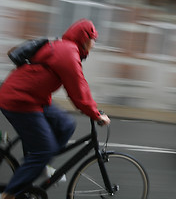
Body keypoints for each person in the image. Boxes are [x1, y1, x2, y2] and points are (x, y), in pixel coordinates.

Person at [0, 18, 110, 199]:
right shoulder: (67, 52)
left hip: (34, 99)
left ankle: (38, 165)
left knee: (66, 124)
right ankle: (9, 194)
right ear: (84, 38)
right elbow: (78, 89)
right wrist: (96, 114)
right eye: (93, 40)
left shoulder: (66, 48)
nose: (94, 45)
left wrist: (93, 110)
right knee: (43, 149)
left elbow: (78, 86)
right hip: (19, 100)